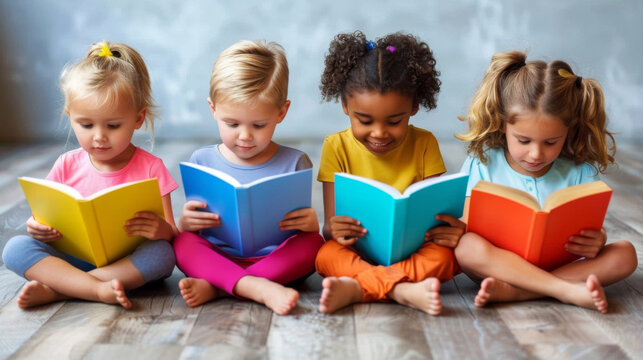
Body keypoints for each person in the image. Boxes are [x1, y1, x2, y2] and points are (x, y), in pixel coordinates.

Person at [454, 50, 638, 313]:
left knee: (626, 253)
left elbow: (591, 229)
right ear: (503, 124)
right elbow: (466, 225)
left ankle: (518, 292)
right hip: (499, 266)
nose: (536, 154)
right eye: (523, 140)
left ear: (569, 131)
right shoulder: (483, 163)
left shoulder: (579, 171)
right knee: (466, 247)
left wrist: (598, 240)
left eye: (551, 142)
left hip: (561, 264)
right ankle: (563, 289)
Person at [2, 41, 178, 309]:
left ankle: (62, 290)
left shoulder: (152, 167)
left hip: (127, 262)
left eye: (113, 125)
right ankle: (96, 288)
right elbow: (44, 216)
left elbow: (171, 232)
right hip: (74, 256)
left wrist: (161, 230)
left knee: (163, 255)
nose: (99, 137)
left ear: (138, 118)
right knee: (15, 248)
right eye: (85, 124)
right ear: (70, 116)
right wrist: (36, 227)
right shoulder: (65, 164)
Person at [172, 40, 324, 315]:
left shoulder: (295, 162)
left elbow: (305, 227)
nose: (244, 135)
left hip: (273, 257)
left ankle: (221, 286)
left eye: (258, 125)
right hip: (219, 255)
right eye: (232, 124)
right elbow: (190, 229)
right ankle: (258, 287)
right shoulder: (201, 161)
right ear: (213, 109)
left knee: (314, 245)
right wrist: (186, 222)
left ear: (281, 112)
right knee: (182, 244)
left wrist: (311, 224)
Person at [314, 31, 461, 315]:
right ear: (345, 106)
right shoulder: (335, 146)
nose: (379, 133)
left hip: (413, 251)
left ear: (414, 107)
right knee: (325, 255)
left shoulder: (425, 142)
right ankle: (403, 289)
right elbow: (330, 228)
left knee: (450, 256)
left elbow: (433, 215)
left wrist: (451, 229)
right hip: (359, 251)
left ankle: (360, 288)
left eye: (395, 121)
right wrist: (336, 229)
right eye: (364, 120)